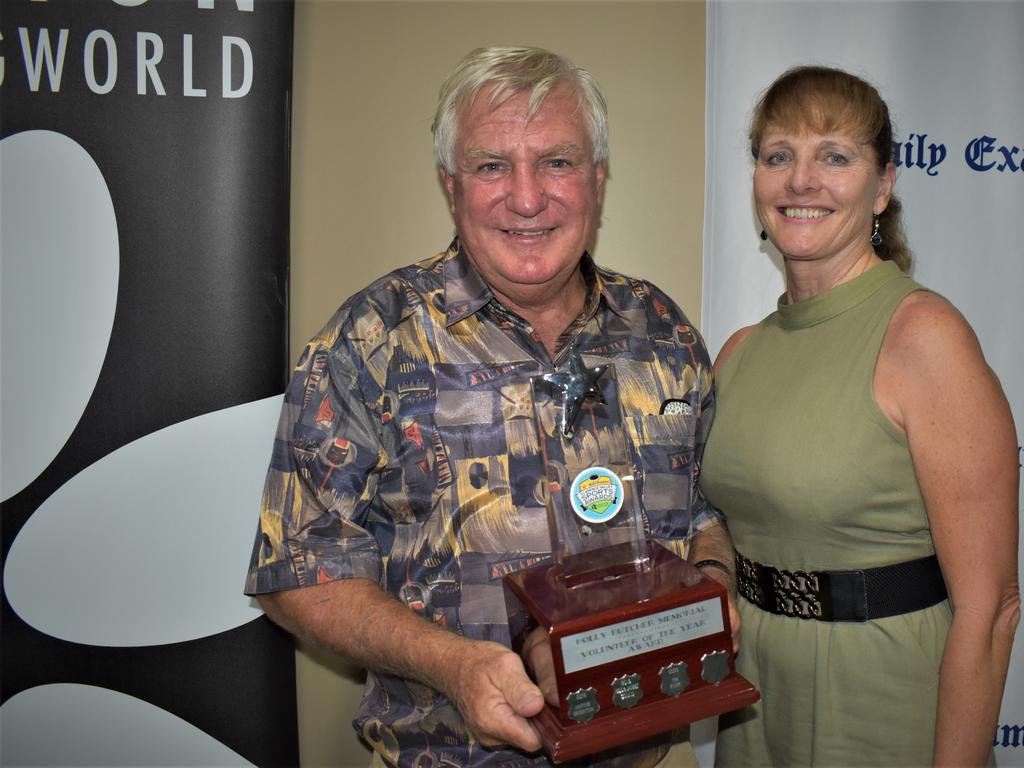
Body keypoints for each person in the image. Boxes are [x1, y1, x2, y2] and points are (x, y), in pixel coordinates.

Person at [245, 46, 735, 768]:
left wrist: (716, 582)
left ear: (598, 181)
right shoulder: (373, 340)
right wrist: (454, 665)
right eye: (492, 165)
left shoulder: (662, 333)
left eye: (559, 162)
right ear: (451, 186)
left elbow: (702, 513)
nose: (528, 198)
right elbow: (295, 570)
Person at [700, 65, 1020, 766]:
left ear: (883, 186)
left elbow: (991, 611)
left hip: (881, 704)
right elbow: (718, 522)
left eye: (834, 157)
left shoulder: (923, 337)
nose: (800, 181)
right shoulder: (739, 352)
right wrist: (716, 577)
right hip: (752, 703)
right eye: (778, 156)